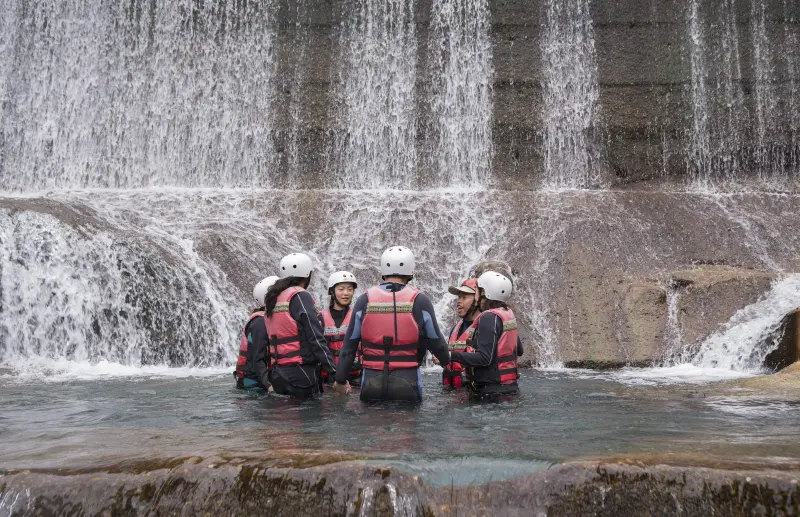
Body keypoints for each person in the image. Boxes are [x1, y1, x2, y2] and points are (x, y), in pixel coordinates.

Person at [333, 246, 450, 402]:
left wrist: (340, 380)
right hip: (407, 381)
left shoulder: (364, 300)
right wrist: (446, 363)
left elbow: (348, 348)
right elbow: (438, 343)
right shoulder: (420, 300)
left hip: (371, 381)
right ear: (411, 271)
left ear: (383, 270)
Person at [264, 253, 343, 398]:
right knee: (309, 419)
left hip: (277, 373)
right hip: (299, 373)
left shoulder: (273, 297)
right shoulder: (300, 296)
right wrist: (335, 374)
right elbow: (315, 337)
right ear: (307, 275)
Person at [448, 271, 524, 398]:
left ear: (485, 293)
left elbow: (484, 358)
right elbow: (519, 350)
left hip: (490, 391)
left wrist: (451, 355)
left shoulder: (488, 317)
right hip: (509, 388)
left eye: (478, 291)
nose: (477, 296)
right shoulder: (506, 314)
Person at [234, 275, 279, 391]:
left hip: (258, 383)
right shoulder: (260, 322)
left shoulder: (268, 320)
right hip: (252, 385)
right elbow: (257, 358)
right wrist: (269, 385)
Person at [319, 270, 362, 386]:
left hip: (355, 378)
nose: (346, 293)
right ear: (332, 292)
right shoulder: (320, 317)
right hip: (329, 379)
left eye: (350, 289)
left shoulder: (359, 316)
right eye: (341, 289)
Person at [442, 278, 481, 388]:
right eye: (459, 297)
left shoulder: (485, 327)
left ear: (477, 300)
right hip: (452, 391)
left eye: (464, 297)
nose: (459, 301)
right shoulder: (456, 327)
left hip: (473, 393)